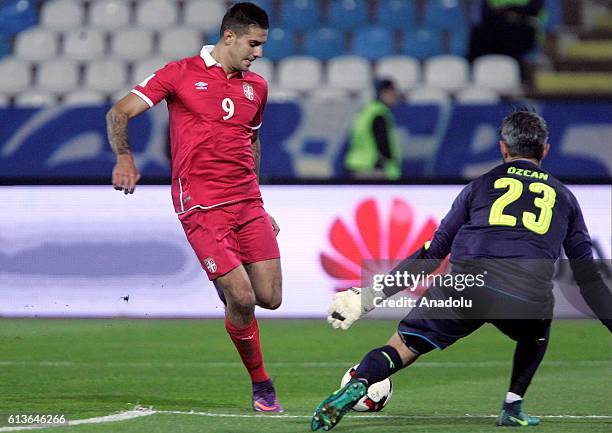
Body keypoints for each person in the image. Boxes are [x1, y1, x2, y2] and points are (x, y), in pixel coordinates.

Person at [311, 109, 612, 430]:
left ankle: (360, 382)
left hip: (465, 282)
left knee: (402, 347)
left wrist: (369, 297)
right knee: (537, 331)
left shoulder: (479, 187)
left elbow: (433, 252)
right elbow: (587, 278)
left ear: (503, 148)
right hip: (525, 292)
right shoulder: (564, 197)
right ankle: (513, 405)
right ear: (545, 150)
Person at [106, 2, 283, 412]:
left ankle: (224, 278)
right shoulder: (180, 74)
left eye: (262, 46)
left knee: (269, 298)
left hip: (247, 202)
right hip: (201, 205)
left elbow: (250, 142)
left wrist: (259, 201)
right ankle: (261, 383)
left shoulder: (256, 88)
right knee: (241, 297)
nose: (258, 53)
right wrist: (125, 158)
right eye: (254, 44)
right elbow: (119, 112)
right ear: (229, 36)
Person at [344, 78, 402, 180]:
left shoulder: (365, 111)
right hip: (372, 168)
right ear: (383, 93)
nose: (395, 97)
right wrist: (389, 164)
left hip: (356, 164)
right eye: (392, 93)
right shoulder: (379, 113)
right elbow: (383, 143)